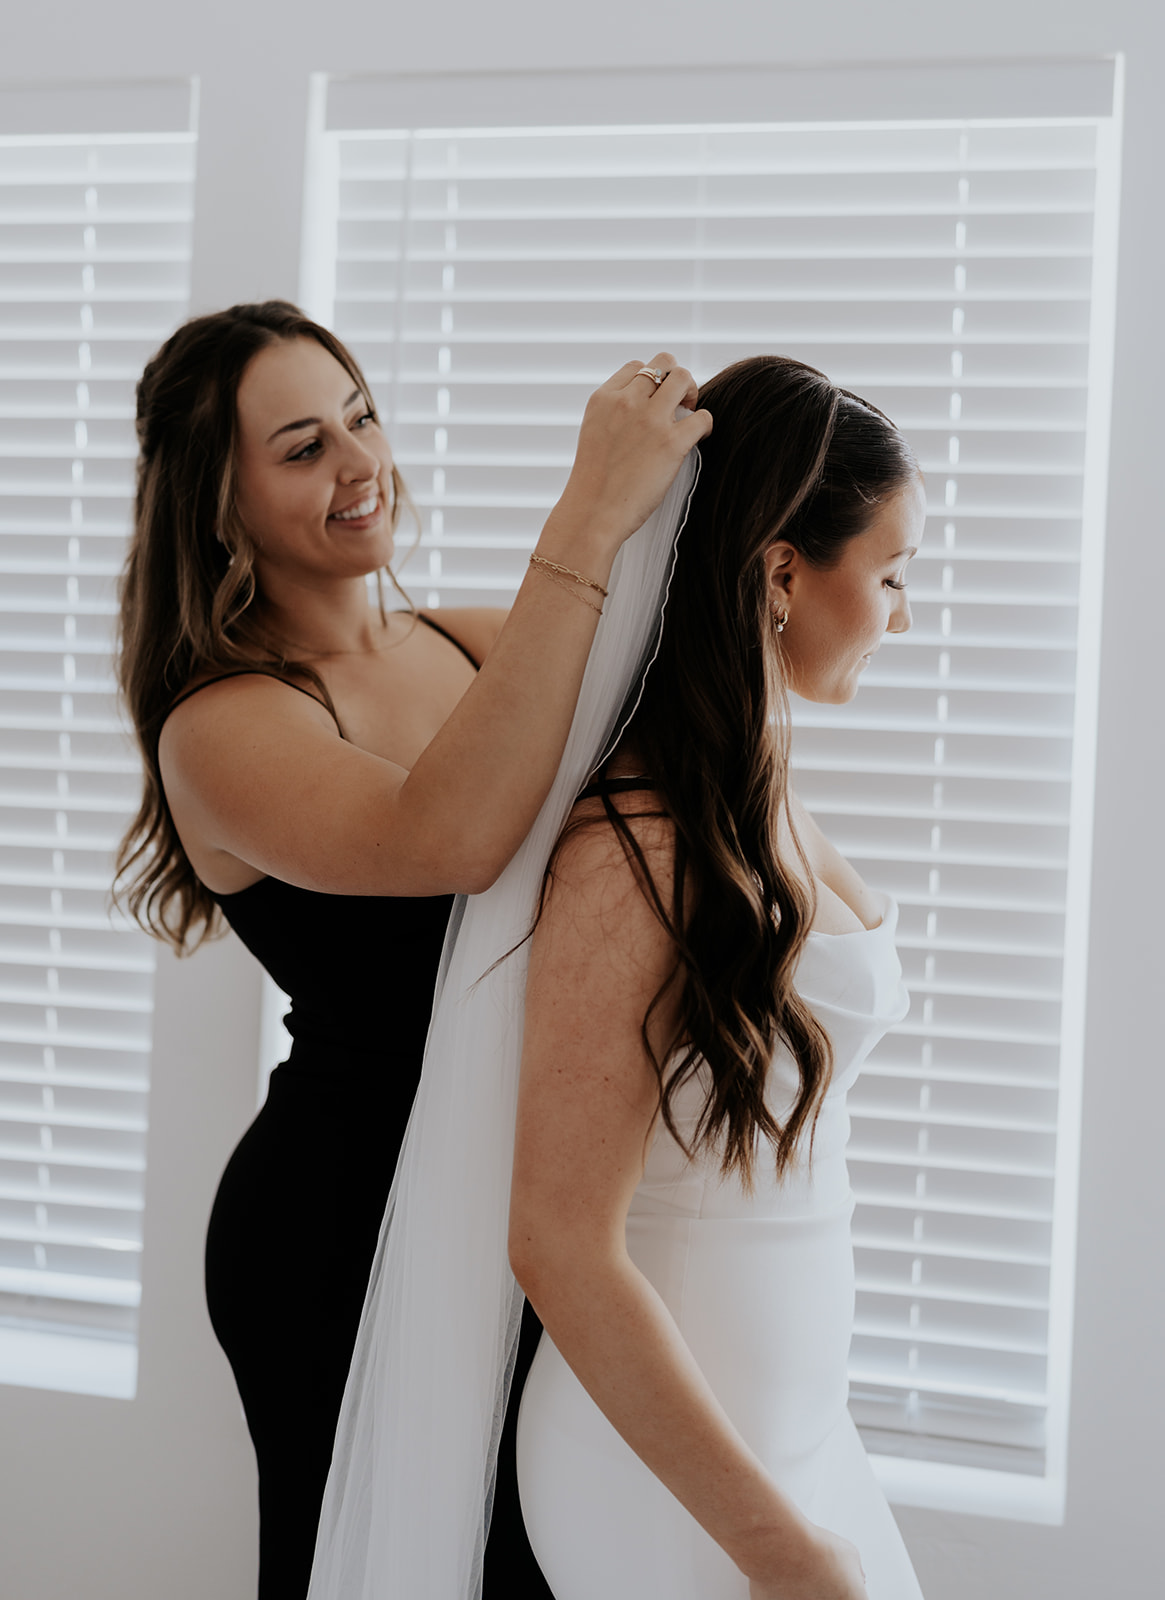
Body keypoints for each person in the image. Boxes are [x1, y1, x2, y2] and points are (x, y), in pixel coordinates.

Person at [113, 298, 710, 1600]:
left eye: (362, 415)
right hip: (341, 1218)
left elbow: (690, 773)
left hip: (523, 1211)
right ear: (218, 502)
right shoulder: (218, 729)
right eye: (302, 445)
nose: (359, 460)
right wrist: (585, 518)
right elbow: (449, 838)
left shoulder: (478, 642)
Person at [306, 354, 927, 1600]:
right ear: (783, 571)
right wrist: (774, 1547)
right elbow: (559, 1242)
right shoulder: (636, 848)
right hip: (667, 1478)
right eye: (893, 573)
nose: (903, 613)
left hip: (794, 1429)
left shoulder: (757, 790)